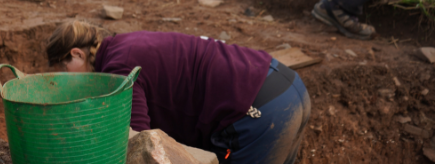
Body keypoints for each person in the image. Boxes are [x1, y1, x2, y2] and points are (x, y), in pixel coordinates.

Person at [46, 20, 311, 164]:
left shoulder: (118, 67)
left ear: (76, 54)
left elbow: (139, 143)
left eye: (62, 70)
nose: (67, 82)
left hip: (258, 110)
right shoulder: (125, 44)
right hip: (286, 85)